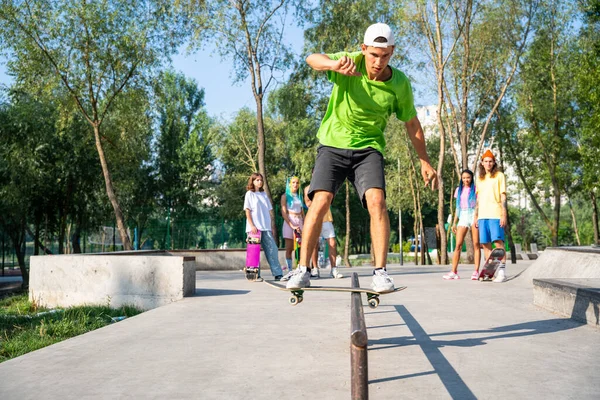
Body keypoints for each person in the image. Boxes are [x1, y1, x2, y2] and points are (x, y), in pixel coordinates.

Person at [284, 23, 437, 291]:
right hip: (332, 144)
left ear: (392, 52)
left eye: (385, 55)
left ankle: (380, 272)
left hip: (369, 149)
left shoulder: (399, 84)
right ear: (363, 49)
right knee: (320, 200)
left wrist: (424, 159)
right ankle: (302, 269)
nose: (378, 62)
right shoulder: (350, 61)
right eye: (373, 55)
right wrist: (333, 66)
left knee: (377, 200)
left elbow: (412, 124)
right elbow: (312, 59)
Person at [475, 149, 507, 283]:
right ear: (482, 163)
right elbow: (478, 199)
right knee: (485, 245)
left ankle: (502, 272)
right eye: (486, 161)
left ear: (494, 163)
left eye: (490, 161)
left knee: (498, 244)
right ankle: (490, 272)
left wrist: (503, 213)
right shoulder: (480, 178)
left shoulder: (499, 176)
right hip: (482, 216)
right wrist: (476, 215)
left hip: (495, 214)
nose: (488, 164)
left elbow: (503, 195)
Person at [243, 173, 283, 281]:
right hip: (255, 228)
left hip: (266, 227)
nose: (259, 182)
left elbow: (269, 212)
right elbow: (247, 211)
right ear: (253, 181)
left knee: (272, 250)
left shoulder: (264, 194)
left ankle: (278, 273)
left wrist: (271, 227)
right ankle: (254, 275)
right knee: (254, 252)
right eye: (257, 180)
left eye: (261, 180)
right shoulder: (249, 194)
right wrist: (252, 225)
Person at [443, 169, 481, 280]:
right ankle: (453, 271)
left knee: (476, 244)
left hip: (473, 214)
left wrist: (476, 217)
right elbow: (457, 208)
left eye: (468, 177)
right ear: (461, 178)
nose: (466, 180)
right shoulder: (458, 190)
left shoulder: (475, 189)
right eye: (464, 178)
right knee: (458, 245)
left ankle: (476, 271)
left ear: (471, 178)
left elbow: (478, 204)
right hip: (463, 216)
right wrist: (454, 222)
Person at [304, 181, 343, 280]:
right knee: (314, 244)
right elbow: (308, 203)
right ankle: (315, 269)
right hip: (315, 218)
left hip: (326, 219)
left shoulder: (326, 185)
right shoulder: (308, 188)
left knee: (332, 243)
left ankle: (334, 269)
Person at [280, 176, 305, 274]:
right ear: (289, 183)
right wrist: (291, 225)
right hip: (289, 221)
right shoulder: (285, 196)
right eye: (293, 182)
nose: (295, 184)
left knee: (300, 247)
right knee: (289, 248)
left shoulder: (299, 196)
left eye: (297, 183)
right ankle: (290, 270)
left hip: (300, 221)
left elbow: (302, 211)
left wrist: (305, 222)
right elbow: (283, 212)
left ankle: (300, 268)